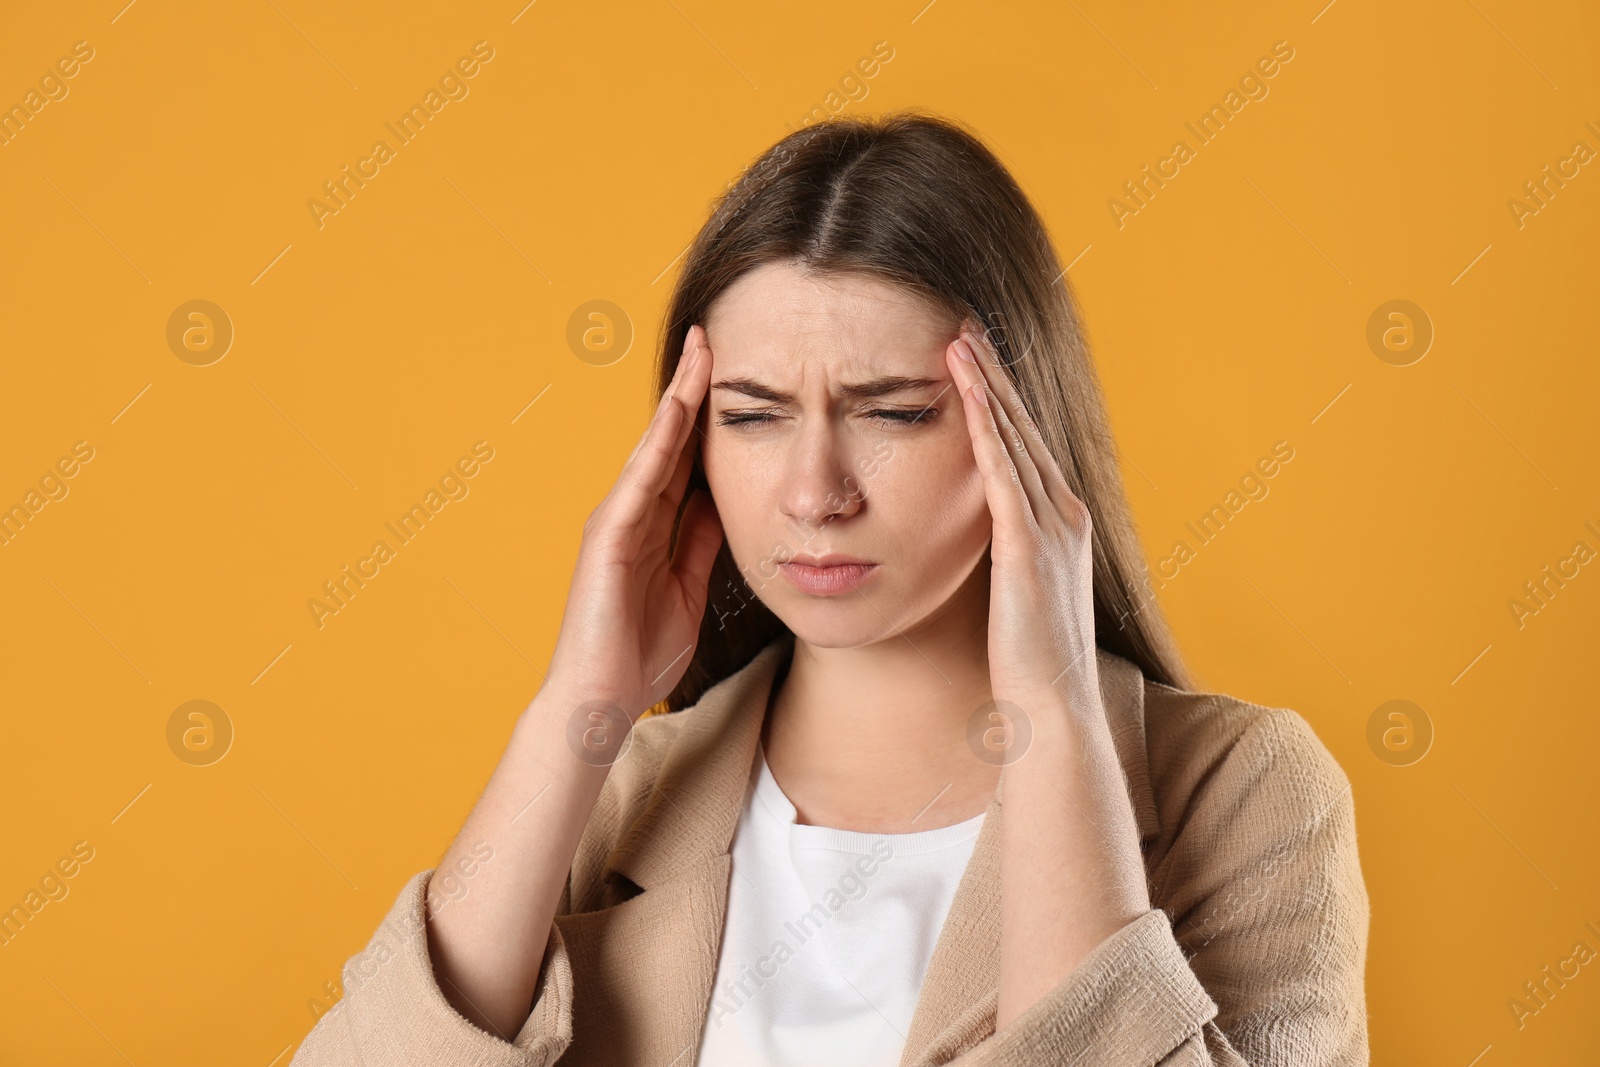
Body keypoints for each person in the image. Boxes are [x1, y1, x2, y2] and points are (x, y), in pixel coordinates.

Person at [290, 110, 1369, 1067]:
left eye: (893, 412)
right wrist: (580, 706)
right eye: (752, 415)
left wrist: (1050, 709)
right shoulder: (616, 793)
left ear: (1024, 431)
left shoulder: (1243, 794)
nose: (813, 492)